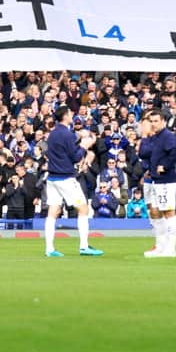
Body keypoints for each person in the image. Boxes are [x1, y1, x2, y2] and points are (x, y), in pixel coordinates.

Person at [43, 107, 104, 257]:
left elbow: (65, 148)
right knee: (83, 209)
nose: (72, 115)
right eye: (70, 113)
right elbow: (76, 157)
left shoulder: (53, 134)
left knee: (53, 212)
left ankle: (49, 248)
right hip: (65, 178)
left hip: (52, 177)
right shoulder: (67, 134)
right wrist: (85, 145)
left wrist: (78, 136)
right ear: (65, 116)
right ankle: (84, 246)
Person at [138, 110, 176, 257]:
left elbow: (174, 154)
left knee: (168, 211)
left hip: (166, 181)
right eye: (152, 121)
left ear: (163, 121)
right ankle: (161, 246)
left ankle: (171, 248)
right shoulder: (155, 137)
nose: (154, 124)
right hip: (156, 180)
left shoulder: (168, 136)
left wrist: (165, 166)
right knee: (159, 211)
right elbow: (144, 154)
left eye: (156, 121)